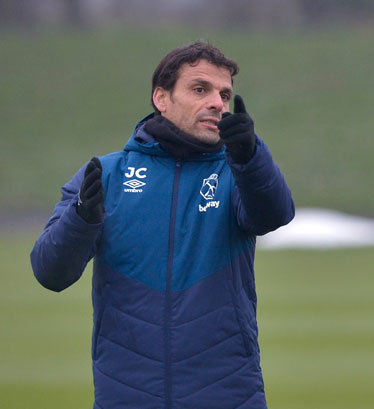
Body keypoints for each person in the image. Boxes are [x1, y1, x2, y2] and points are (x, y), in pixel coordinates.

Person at [30, 41, 295, 409]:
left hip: (227, 395)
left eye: (224, 94)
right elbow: (50, 272)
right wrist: (81, 218)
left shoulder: (237, 171)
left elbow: (274, 215)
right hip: (127, 395)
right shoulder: (106, 175)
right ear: (161, 98)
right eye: (200, 89)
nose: (218, 103)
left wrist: (251, 157)